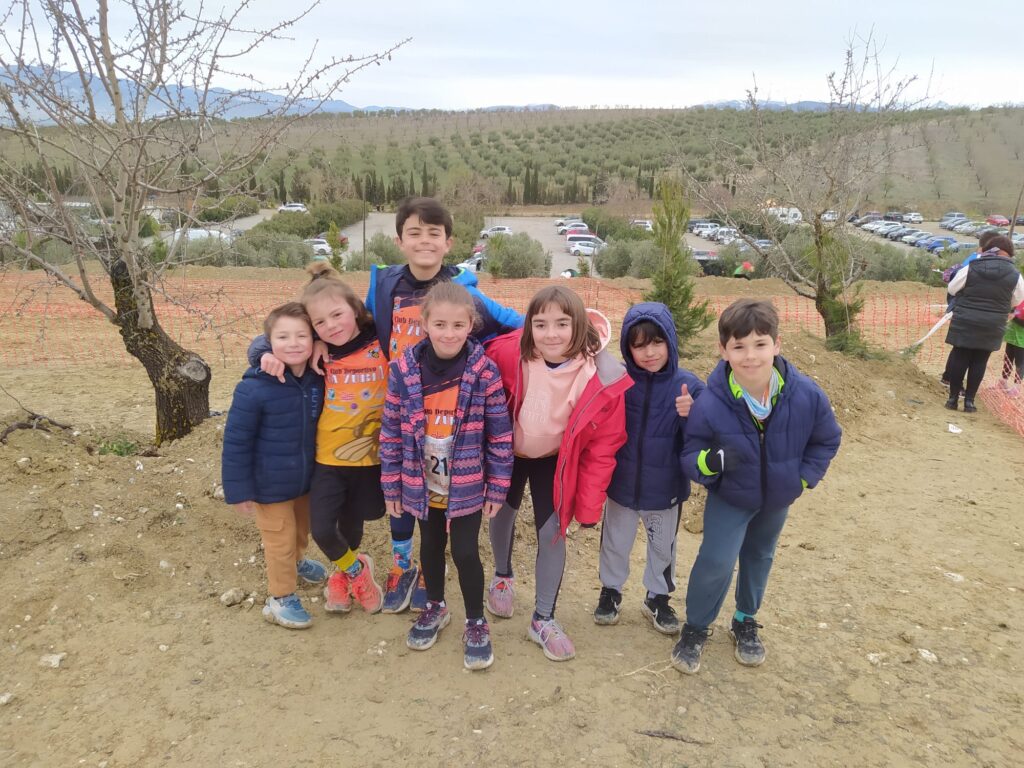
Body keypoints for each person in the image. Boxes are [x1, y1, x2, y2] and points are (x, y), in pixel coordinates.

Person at [365, 197, 523, 615]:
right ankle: (404, 566)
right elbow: (349, 328)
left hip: (453, 416)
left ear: (448, 242)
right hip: (400, 403)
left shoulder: (467, 293)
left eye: (433, 233)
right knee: (405, 491)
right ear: (399, 240)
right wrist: (266, 350)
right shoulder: (382, 287)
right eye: (414, 232)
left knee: (440, 515)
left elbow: (517, 323)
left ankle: (435, 583)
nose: (424, 241)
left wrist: (575, 338)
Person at [671, 299, 841, 674]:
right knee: (716, 561)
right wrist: (711, 463)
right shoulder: (710, 403)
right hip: (730, 497)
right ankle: (696, 626)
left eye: (760, 344)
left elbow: (827, 439)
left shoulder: (806, 395)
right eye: (739, 346)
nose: (750, 356)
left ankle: (745, 619)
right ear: (723, 350)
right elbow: (690, 454)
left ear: (776, 345)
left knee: (759, 556)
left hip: (777, 499)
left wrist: (801, 478)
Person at [485, 285, 631, 661]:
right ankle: (502, 576)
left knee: (552, 532)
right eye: (541, 324)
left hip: (555, 459)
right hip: (508, 453)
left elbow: (604, 446)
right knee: (501, 513)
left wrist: (589, 505)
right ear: (529, 327)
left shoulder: (601, 377)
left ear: (578, 325)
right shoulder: (506, 353)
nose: (551, 334)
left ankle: (543, 618)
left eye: (562, 323)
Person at [379, 282, 513, 670]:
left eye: (458, 325)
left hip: (467, 483)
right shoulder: (403, 371)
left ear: (471, 325)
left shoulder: (484, 372)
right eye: (440, 324)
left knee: (466, 551)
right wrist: (391, 484)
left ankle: (476, 621)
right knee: (431, 546)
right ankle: (436, 606)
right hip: (421, 482)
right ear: (424, 324)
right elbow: (390, 430)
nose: (449, 334)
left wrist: (498, 486)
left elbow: (500, 434)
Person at [248, 263, 388, 615]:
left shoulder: (380, 339)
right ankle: (357, 572)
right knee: (323, 528)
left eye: (338, 315)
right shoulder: (315, 349)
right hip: (326, 458)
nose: (332, 326)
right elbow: (272, 337)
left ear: (355, 308)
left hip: (371, 458)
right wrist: (263, 352)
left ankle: (342, 573)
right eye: (320, 323)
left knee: (355, 522)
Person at [594, 303, 705, 635]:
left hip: (665, 488)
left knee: (663, 547)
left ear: (670, 341)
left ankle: (658, 597)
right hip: (622, 485)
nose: (650, 352)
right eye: (639, 345)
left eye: (657, 342)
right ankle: (610, 591)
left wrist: (694, 415)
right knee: (615, 543)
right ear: (628, 348)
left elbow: (708, 433)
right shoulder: (619, 380)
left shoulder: (688, 386)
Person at [222, 303, 327, 629]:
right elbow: (236, 442)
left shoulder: (317, 379)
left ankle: (297, 562)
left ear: (314, 340)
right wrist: (238, 490)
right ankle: (281, 598)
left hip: (304, 480)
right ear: (269, 342)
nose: (293, 343)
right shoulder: (253, 388)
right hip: (268, 486)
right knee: (279, 540)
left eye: (301, 336)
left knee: (300, 530)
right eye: (283, 337)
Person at [944, 235, 1024, 413]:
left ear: (989, 249)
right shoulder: (1015, 275)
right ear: (1008, 253)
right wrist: (1001, 305)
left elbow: (952, 288)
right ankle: (969, 402)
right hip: (993, 322)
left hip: (966, 318)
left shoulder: (972, 266)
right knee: (980, 360)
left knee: (960, 357)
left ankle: (952, 399)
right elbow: (1018, 300)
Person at [999, 298, 1024, 396]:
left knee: (1020, 363)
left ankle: (1016, 387)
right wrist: (1013, 311)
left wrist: (1014, 317)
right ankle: (1003, 381)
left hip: (1022, 340)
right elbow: (1017, 309)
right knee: (1008, 358)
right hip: (1012, 335)